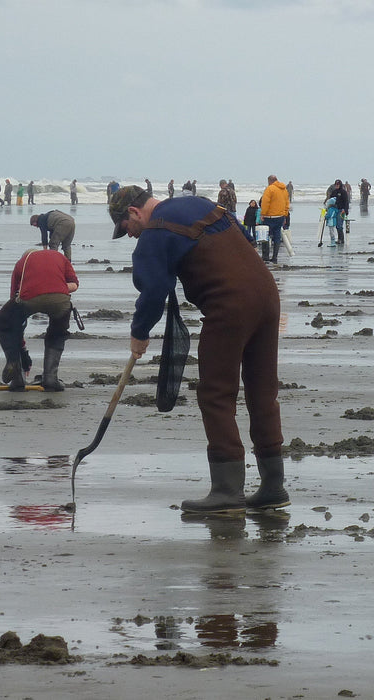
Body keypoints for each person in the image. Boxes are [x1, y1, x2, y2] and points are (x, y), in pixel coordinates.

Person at [108, 185, 289, 515]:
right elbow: (243, 240)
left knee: (215, 393)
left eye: (126, 229)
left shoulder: (155, 231)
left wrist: (139, 333)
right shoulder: (201, 204)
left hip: (229, 304)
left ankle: (226, 491)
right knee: (263, 391)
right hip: (267, 294)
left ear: (133, 213)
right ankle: (273, 487)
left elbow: (153, 291)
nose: (131, 236)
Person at [0, 248, 78, 392]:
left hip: (29, 297)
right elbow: (74, 285)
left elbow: (14, 297)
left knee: (2, 323)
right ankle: (50, 379)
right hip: (61, 299)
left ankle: (17, 376)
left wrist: (22, 350)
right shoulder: (59, 256)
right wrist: (55, 288)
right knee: (57, 334)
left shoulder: (22, 262)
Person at [260, 174, 290, 263]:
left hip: (269, 216)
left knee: (265, 236)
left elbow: (265, 202)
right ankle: (275, 257)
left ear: (269, 181)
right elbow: (287, 203)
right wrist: (285, 214)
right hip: (280, 216)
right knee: (277, 236)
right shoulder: (284, 189)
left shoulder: (270, 189)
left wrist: (263, 214)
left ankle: (265, 256)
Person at [327, 179, 349, 245]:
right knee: (336, 225)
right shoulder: (334, 192)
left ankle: (341, 239)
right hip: (335, 210)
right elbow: (330, 200)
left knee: (339, 225)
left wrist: (345, 210)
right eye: (336, 184)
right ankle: (339, 239)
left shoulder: (343, 192)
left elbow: (346, 202)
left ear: (340, 185)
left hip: (341, 210)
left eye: (338, 184)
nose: (337, 185)